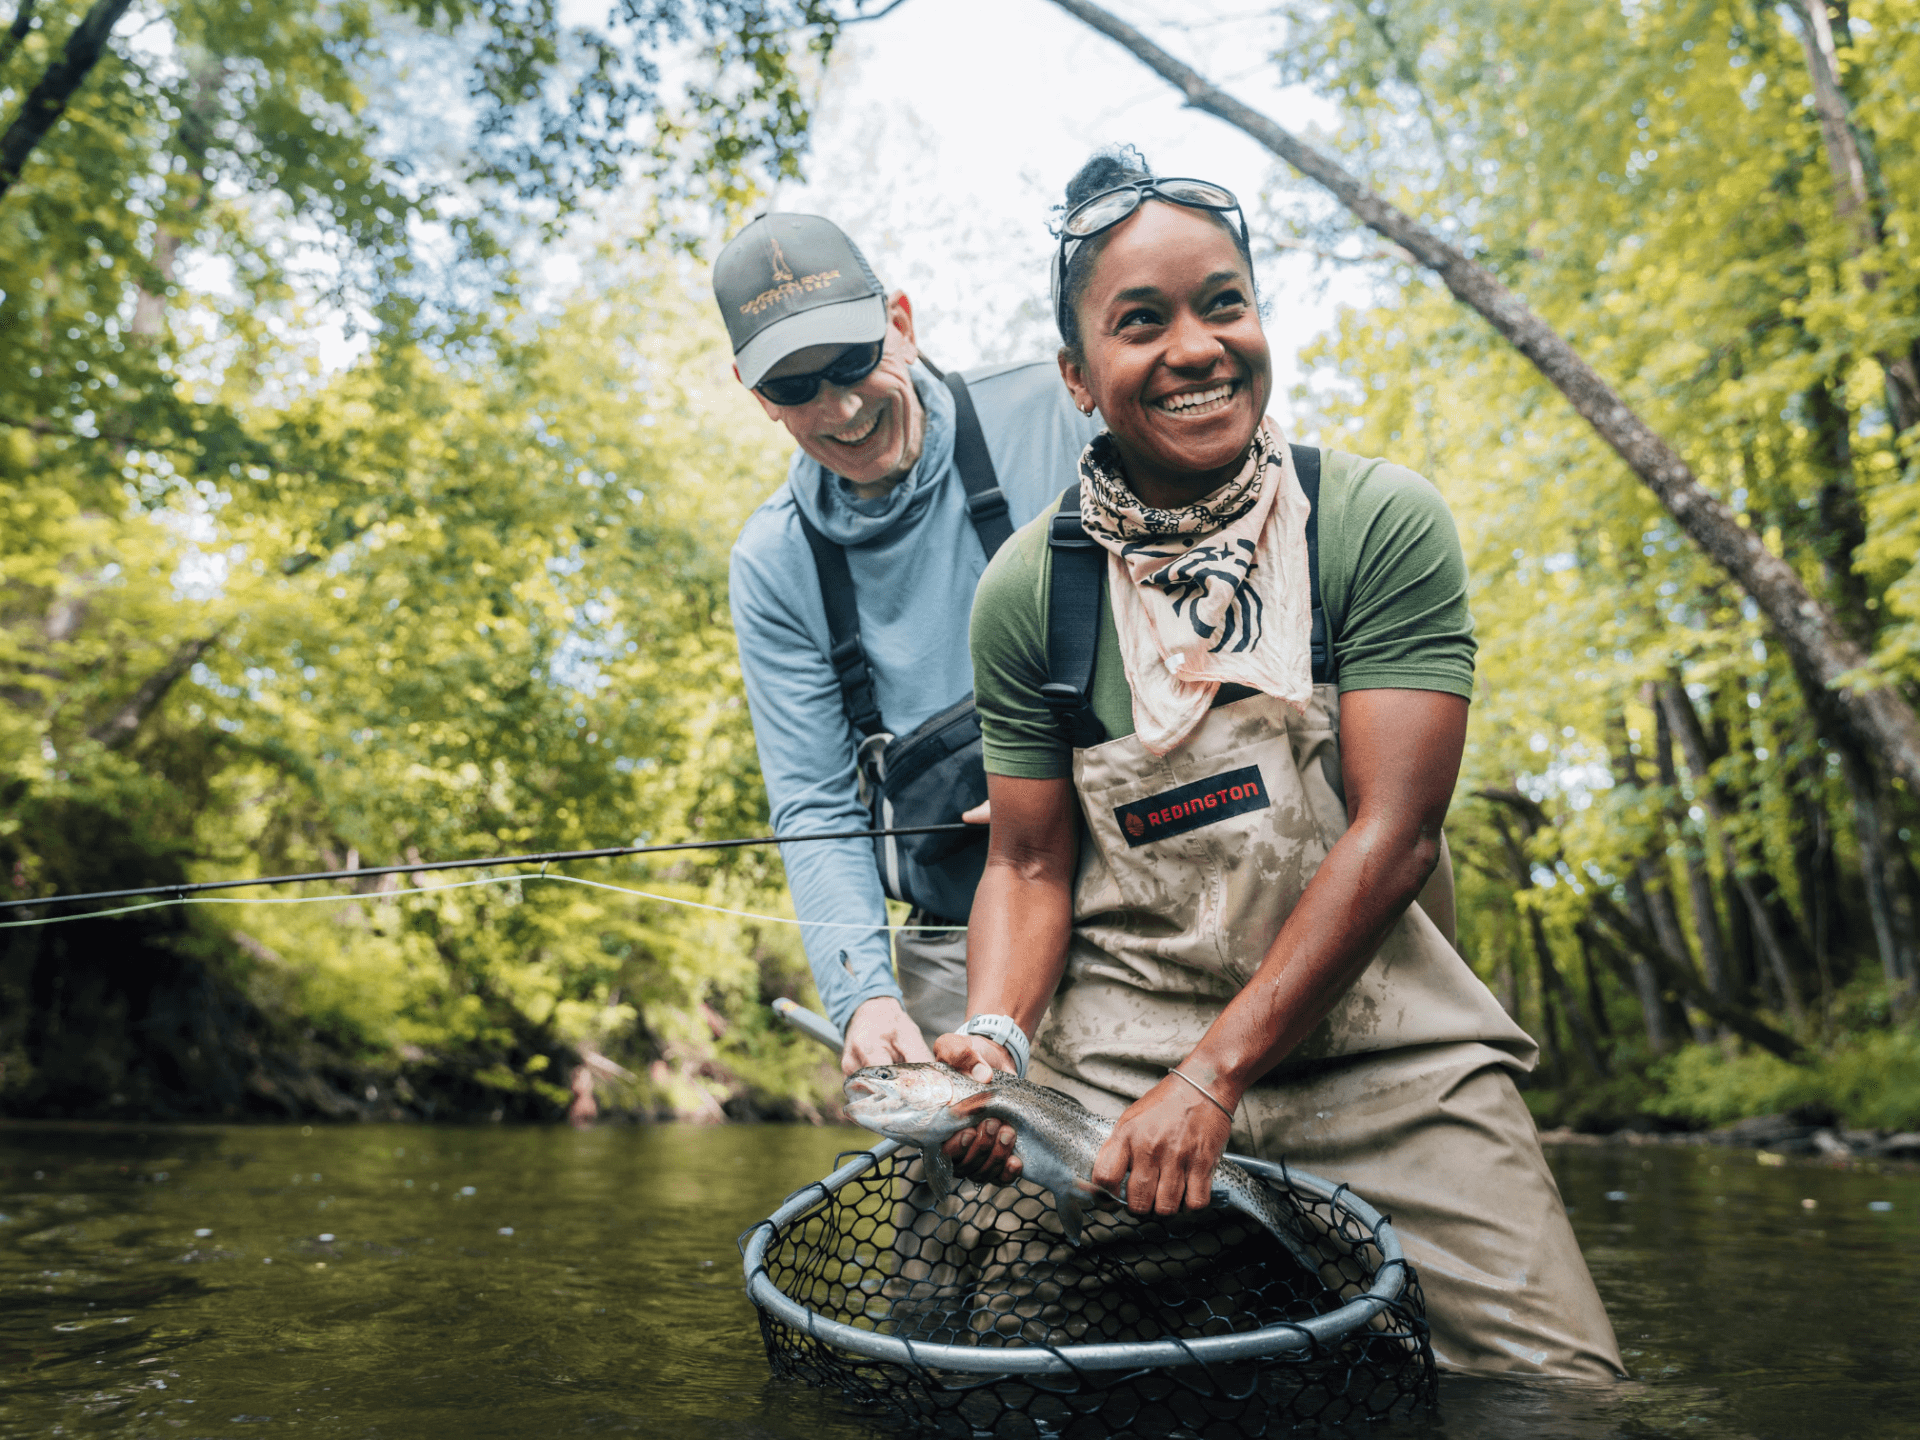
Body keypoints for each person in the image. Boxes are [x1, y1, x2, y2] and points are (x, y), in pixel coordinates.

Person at [933, 148, 1624, 1380]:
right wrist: (997, 1045)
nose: (1195, 347)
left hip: (1389, 1055)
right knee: (998, 1353)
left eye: (1224, 304)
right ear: (1078, 380)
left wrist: (1216, 1079)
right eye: (1140, 323)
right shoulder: (1028, 592)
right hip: (1120, 1064)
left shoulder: (1376, 522)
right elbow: (1030, 864)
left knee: (1554, 1395)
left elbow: (1396, 835)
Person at [718, 212, 1100, 1074]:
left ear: (900, 320)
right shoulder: (774, 563)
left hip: (1158, 883)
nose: (842, 408)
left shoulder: (1057, 410)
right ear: (754, 393)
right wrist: (865, 993)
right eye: (795, 389)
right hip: (958, 946)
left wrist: (1070, 790)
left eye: (854, 362)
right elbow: (817, 805)